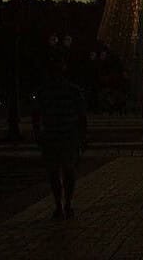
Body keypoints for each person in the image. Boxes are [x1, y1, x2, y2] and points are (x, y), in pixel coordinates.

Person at [32, 53, 86, 220]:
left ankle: (61, 205)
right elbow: (82, 116)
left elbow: (36, 116)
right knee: (65, 171)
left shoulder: (46, 92)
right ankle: (65, 204)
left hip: (55, 136)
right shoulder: (71, 91)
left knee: (57, 172)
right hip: (64, 136)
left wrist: (38, 134)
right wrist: (81, 136)